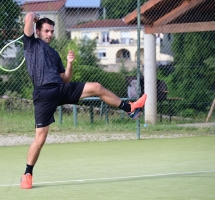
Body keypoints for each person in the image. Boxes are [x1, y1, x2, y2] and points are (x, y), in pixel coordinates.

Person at [20, 12, 147, 189]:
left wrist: (70, 63)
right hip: (44, 94)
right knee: (40, 139)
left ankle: (129, 108)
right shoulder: (31, 44)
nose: (50, 34)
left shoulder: (54, 53)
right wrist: (35, 18)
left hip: (61, 88)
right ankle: (27, 174)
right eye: (46, 31)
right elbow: (28, 17)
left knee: (96, 86)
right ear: (38, 31)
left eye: (52, 31)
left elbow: (65, 78)